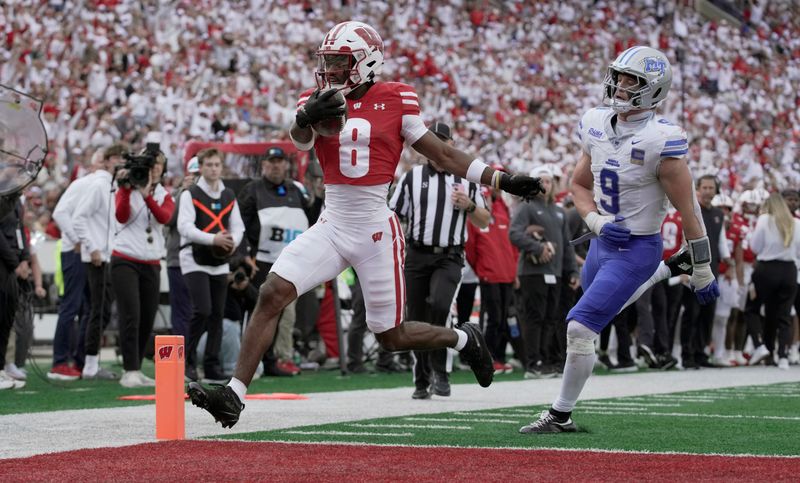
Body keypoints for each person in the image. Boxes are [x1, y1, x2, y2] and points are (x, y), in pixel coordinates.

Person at [188, 21, 543, 428]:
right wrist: (304, 116)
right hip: (332, 222)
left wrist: (500, 178)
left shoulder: (397, 97)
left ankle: (464, 338)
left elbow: (442, 155)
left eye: (341, 61)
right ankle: (234, 395)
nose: (332, 69)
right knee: (272, 292)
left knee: (390, 337)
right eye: (329, 61)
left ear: (367, 62)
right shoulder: (316, 98)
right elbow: (300, 140)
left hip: (375, 228)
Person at [520, 46, 719, 434]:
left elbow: (690, 212)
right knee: (595, 321)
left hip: (637, 249)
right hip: (601, 244)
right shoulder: (595, 122)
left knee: (579, 327)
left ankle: (560, 414)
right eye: (619, 76)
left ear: (654, 90)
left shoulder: (663, 141)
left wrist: (704, 267)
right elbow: (579, 185)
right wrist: (595, 221)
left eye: (632, 81)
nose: (620, 85)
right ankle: (667, 270)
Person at [389, 121, 490, 399]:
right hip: (417, 254)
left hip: (450, 256)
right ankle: (421, 379)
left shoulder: (466, 179)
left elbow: (485, 220)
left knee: (442, 306)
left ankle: (440, 371)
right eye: (432, 141)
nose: (438, 146)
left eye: (442, 141)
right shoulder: (412, 177)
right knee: (415, 316)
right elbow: (394, 214)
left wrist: (469, 206)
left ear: (451, 145)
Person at [238, 146, 311, 377]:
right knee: (260, 311)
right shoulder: (252, 190)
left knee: (285, 315)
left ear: (286, 165)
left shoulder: (296, 190)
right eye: (272, 161)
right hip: (261, 261)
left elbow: (310, 218)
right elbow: (238, 224)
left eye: (280, 161)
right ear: (264, 165)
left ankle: (274, 360)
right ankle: (254, 361)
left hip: (290, 262)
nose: (276, 165)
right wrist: (244, 254)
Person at [178, 148, 245, 383]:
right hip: (194, 258)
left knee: (217, 313)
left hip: (219, 261)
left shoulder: (228, 194)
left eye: (217, 164)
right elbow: (184, 227)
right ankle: (187, 362)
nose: (214, 169)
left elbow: (238, 227)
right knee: (202, 310)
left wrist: (230, 243)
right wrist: (213, 239)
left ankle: (212, 364)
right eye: (209, 165)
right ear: (201, 167)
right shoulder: (191, 194)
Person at [112, 150, 174, 388]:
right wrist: (128, 189)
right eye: (151, 165)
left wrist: (146, 194)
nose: (155, 169)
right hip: (125, 258)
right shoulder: (126, 188)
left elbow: (164, 217)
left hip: (151, 261)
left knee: (147, 317)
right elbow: (121, 215)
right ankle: (129, 370)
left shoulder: (164, 194)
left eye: (159, 165)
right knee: (131, 315)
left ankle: (136, 367)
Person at [511, 165, 579, 378]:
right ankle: (533, 363)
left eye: (549, 181)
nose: (545, 185)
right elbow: (514, 233)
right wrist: (537, 248)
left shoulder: (560, 211)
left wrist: (573, 271)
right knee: (534, 317)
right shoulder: (527, 206)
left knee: (551, 318)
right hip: (532, 272)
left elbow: (567, 245)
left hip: (556, 272)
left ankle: (547, 360)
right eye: (541, 181)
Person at [73, 143, 128, 380]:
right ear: (106, 161)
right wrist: (92, 247)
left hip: (109, 256)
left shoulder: (115, 186)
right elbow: (78, 218)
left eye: (122, 159)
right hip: (98, 258)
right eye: (115, 158)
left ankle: (90, 362)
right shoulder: (99, 185)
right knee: (99, 310)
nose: (120, 163)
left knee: (103, 310)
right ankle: (89, 364)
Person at [48, 153, 100, 380]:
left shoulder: (103, 187)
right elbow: (59, 212)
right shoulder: (83, 184)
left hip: (92, 254)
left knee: (90, 309)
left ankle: (79, 361)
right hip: (76, 252)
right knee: (71, 306)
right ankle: (60, 362)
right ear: (94, 164)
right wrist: (76, 239)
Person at [465, 177, 521, 375]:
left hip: (507, 274)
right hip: (490, 275)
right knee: (494, 319)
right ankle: (488, 359)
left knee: (504, 318)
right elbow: (470, 248)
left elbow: (512, 245)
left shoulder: (502, 209)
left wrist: (514, 271)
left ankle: (498, 357)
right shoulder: (478, 215)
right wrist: (481, 269)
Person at [679, 175, 729, 369]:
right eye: (705, 187)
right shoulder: (691, 210)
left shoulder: (718, 214)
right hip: (694, 268)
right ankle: (687, 354)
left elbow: (720, 240)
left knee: (708, 313)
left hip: (713, 267)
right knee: (692, 312)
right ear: (698, 189)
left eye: (711, 187)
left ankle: (701, 353)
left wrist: (728, 260)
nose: (708, 191)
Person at [744, 193, 800, 369]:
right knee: (783, 315)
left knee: (752, 309)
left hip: (767, 268)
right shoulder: (796, 223)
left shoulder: (765, 219)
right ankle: (782, 355)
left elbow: (754, 246)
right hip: (789, 270)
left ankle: (760, 346)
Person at [164, 157, 199, 341]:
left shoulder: (215, 194)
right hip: (178, 259)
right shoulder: (175, 195)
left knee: (202, 311)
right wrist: (182, 192)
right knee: (181, 312)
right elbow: (168, 219)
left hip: (203, 260)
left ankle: (192, 357)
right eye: (194, 175)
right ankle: (182, 359)